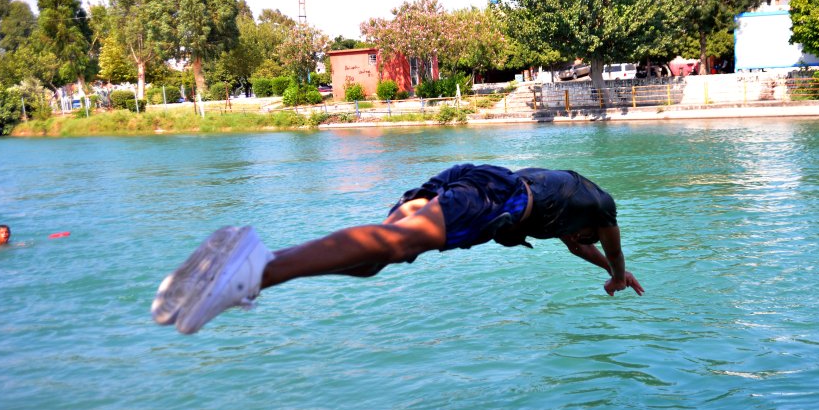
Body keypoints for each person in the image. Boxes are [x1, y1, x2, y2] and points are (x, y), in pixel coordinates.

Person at [152, 164, 644, 334]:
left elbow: (580, 248)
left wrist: (601, 267)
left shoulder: (576, 204)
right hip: (499, 198)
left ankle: (250, 269)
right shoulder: (605, 213)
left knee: (375, 260)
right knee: (391, 243)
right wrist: (617, 272)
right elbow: (612, 251)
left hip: (475, 179)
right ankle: (258, 266)